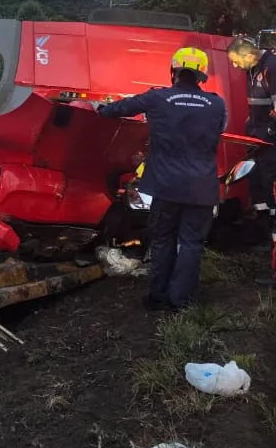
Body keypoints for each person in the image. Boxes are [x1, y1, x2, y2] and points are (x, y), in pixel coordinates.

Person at [97, 47, 226, 311]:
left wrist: (99, 108)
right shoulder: (216, 104)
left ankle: (158, 297)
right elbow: (220, 129)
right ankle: (182, 301)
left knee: (163, 239)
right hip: (202, 187)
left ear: (173, 71)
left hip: (166, 186)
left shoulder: (157, 98)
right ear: (202, 75)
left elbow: (117, 109)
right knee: (191, 243)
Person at [226, 35, 276, 219]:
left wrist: (270, 131)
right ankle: (261, 221)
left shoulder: (271, 67)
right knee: (255, 180)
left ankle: (272, 225)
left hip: (269, 139)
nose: (235, 66)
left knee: (268, 180)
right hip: (256, 136)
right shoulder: (253, 68)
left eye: (236, 61)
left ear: (248, 55)